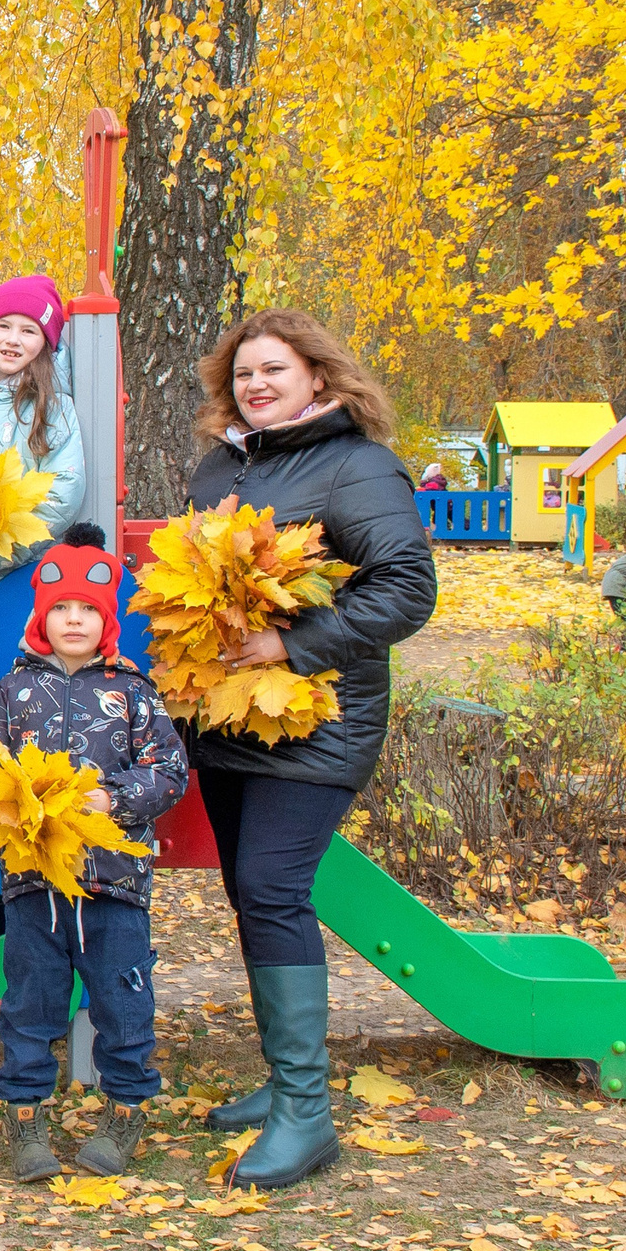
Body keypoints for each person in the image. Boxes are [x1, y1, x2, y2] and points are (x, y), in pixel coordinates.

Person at [183, 310, 436, 1190]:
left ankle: (307, 1113)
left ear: (318, 379)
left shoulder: (357, 465)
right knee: (251, 897)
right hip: (229, 720)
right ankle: (280, 1083)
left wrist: (292, 645)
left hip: (321, 720)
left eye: (273, 371)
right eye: (243, 374)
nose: (255, 385)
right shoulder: (222, 465)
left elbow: (408, 587)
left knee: (274, 889)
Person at [0, 523, 187, 1181]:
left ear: (105, 620)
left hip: (114, 881)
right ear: (42, 615)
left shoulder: (133, 693)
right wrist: (9, 801)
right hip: (34, 879)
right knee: (31, 998)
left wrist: (112, 801)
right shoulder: (12, 693)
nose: (73, 620)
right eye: (60, 608)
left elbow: (168, 771)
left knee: (123, 998)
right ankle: (26, 1115)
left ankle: (125, 1110)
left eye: (85, 610)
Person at [0, 274, 89, 606]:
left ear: (44, 342)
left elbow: (64, 491)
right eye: (3, 326)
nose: (13, 339)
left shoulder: (53, 408)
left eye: (28, 331)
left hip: (26, 577)